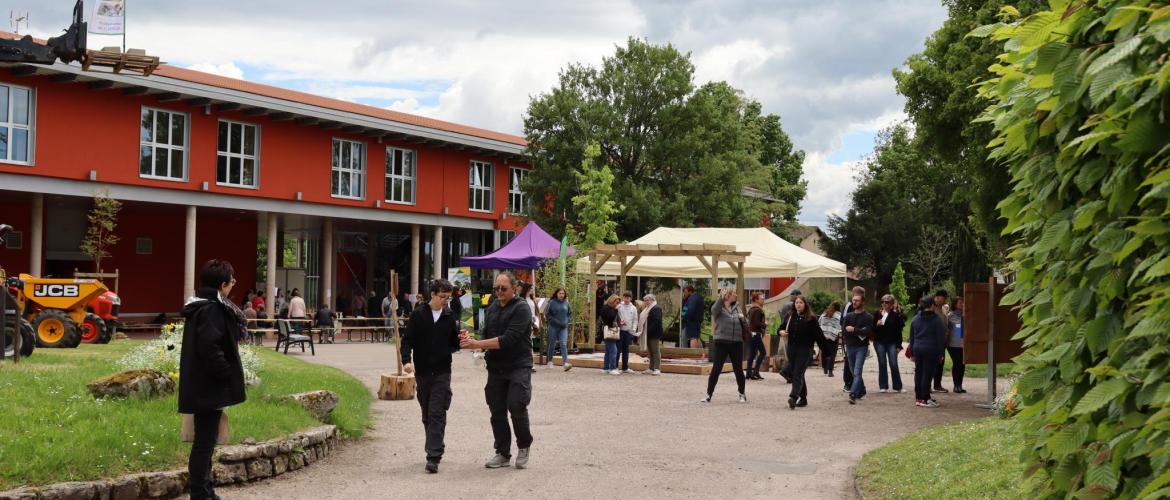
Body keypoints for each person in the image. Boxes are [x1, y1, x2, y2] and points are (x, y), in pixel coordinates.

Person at [179, 260, 247, 500]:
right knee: (204, 444)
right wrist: (226, 373)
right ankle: (201, 495)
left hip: (202, 384)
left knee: (205, 441)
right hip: (209, 386)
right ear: (222, 285)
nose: (234, 283)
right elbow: (210, 348)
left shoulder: (201, 306)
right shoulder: (212, 309)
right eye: (232, 279)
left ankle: (206, 491)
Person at [459, 272, 534, 470]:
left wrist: (478, 342)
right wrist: (477, 346)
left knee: (516, 405)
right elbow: (486, 332)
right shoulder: (492, 307)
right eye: (497, 288)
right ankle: (502, 452)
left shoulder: (522, 308)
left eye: (503, 288)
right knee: (497, 410)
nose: (499, 292)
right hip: (496, 368)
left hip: (518, 365)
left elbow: (508, 339)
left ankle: (524, 446)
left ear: (515, 289)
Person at [401, 279, 461, 473]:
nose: (446, 301)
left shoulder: (450, 316)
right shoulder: (418, 315)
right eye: (443, 297)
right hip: (423, 372)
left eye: (448, 298)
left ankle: (433, 456)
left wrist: (460, 341)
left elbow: (454, 342)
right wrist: (406, 361)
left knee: (437, 412)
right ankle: (435, 444)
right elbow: (407, 340)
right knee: (427, 413)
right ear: (433, 294)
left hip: (443, 371)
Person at [701, 288, 748, 403]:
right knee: (716, 369)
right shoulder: (718, 307)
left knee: (738, 370)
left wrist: (743, 319)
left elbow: (744, 323)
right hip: (721, 342)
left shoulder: (737, 307)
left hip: (736, 342)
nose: (736, 295)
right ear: (728, 296)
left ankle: (742, 394)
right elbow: (713, 311)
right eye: (733, 293)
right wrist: (721, 298)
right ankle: (708, 395)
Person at [778, 295, 822, 409]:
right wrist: (781, 332)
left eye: (801, 302)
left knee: (797, 373)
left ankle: (793, 397)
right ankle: (803, 399)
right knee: (798, 373)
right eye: (797, 302)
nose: (798, 304)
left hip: (805, 350)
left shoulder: (811, 319)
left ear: (805, 304)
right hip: (792, 349)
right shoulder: (790, 316)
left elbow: (819, 335)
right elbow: (781, 328)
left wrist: (827, 352)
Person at [909, 297, 947, 408]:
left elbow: (912, 337)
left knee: (919, 373)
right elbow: (940, 338)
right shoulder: (936, 320)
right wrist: (941, 354)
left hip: (917, 349)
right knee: (927, 374)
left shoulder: (915, 318)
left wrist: (912, 352)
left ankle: (919, 397)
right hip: (931, 349)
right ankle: (925, 398)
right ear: (931, 305)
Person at [843, 293, 875, 404]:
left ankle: (853, 393)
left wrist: (854, 330)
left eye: (857, 300)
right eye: (853, 300)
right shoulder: (848, 316)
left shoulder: (869, 317)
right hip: (850, 346)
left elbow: (867, 331)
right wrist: (857, 331)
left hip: (861, 347)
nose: (854, 302)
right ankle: (862, 390)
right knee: (853, 372)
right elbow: (844, 331)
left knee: (857, 371)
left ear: (862, 302)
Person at [873, 294, 906, 393]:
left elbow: (898, 331)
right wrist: (876, 324)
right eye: (882, 302)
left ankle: (898, 386)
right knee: (882, 363)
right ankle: (883, 386)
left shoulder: (895, 315)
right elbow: (871, 329)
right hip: (879, 342)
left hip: (891, 342)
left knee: (893, 363)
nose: (884, 304)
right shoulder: (877, 314)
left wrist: (899, 345)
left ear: (891, 304)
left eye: (886, 302)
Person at [840, 286, 865, 392]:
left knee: (855, 365)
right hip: (850, 338)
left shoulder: (860, 305)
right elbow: (844, 321)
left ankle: (858, 386)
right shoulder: (849, 305)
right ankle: (848, 383)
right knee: (849, 362)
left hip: (859, 339)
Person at [777, 289, 802, 382]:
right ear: (795, 295)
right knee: (793, 357)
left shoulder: (786, 305)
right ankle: (786, 371)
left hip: (785, 332)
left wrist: (781, 331)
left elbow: (782, 321)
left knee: (791, 356)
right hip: (790, 334)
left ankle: (789, 375)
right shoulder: (790, 306)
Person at [932, 290, 954, 393]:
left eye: (945, 299)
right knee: (931, 364)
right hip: (932, 341)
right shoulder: (931, 308)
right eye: (943, 298)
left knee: (940, 363)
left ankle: (937, 385)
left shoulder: (943, 309)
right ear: (937, 297)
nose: (944, 301)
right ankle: (926, 385)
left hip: (942, 341)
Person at [545, 287, 572, 371]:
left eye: (563, 293)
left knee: (563, 344)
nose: (561, 295)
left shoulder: (566, 303)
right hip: (553, 326)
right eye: (560, 293)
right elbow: (547, 314)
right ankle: (549, 361)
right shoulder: (552, 302)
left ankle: (565, 363)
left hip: (563, 327)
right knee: (552, 344)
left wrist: (567, 320)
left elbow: (570, 313)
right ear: (556, 294)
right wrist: (553, 321)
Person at [746, 291, 768, 380]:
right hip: (755, 334)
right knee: (763, 352)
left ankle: (749, 373)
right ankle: (755, 372)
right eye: (761, 298)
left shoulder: (752, 309)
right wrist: (765, 324)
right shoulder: (757, 310)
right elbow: (756, 323)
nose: (763, 300)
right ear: (756, 300)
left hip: (752, 334)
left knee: (752, 354)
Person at [640, 294, 663, 375]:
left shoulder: (656, 308)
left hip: (654, 333)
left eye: (648, 300)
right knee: (650, 352)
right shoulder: (647, 309)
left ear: (652, 300)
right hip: (648, 333)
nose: (646, 302)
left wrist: (648, 330)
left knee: (655, 351)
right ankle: (651, 368)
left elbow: (656, 321)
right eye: (645, 300)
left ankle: (657, 368)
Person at [616, 291, 639, 374]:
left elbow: (635, 320)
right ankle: (615, 366)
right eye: (625, 297)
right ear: (623, 297)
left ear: (631, 298)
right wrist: (619, 323)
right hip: (620, 330)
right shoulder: (619, 306)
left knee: (626, 350)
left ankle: (625, 367)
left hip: (628, 331)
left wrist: (633, 329)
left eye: (628, 298)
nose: (626, 299)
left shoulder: (633, 308)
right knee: (618, 349)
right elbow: (615, 316)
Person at [817, 302, 842, 377]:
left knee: (824, 352)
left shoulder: (824, 314)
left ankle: (825, 368)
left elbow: (819, 323)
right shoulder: (839, 316)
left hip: (823, 336)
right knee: (832, 353)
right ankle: (830, 371)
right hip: (833, 337)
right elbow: (839, 326)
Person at [948, 297, 966, 393]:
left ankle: (960, 385)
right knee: (957, 363)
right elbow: (958, 328)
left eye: (963, 302)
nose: (962, 304)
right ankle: (956, 385)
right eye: (960, 302)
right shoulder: (951, 315)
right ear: (955, 304)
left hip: (963, 345)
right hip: (953, 345)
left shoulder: (966, 315)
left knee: (962, 365)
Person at [600, 295, 621, 375]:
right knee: (613, 350)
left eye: (618, 302)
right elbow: (610, 318)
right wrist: (616, 311)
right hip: (608, 330)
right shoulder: (606, 308)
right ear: (612, 301)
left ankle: (606, 368)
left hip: (609, 330)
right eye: (616, 302)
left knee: (608, 351)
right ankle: (612, 368)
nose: (617, 304)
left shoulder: (610, 308)